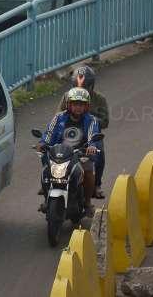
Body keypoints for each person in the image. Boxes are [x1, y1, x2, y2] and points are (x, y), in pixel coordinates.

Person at [36, 87, 100, 216]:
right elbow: (49, 133)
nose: (78, 107)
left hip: (80, 154)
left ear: (86, 106)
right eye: (75, 104)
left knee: (88, 172)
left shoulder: (91, 120)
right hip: (59, 154)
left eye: (81, 104)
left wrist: (91, 146)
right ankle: (47, 198)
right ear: (69, 105)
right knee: (46, 171)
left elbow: (93, 136)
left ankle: (87, 203)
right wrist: (43, 143)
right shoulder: (58, 118)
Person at [57, 66, 109, 198]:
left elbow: (105, 121)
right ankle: (49, 180)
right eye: (77, 86)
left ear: (91, 86)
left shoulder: (100, 99)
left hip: (90, 135)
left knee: (100, 153)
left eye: (85, 87)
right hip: (70, 133)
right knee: (51, 150)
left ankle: (96, 185)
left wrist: (89, 118)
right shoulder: (66, 97)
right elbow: (58, 116)